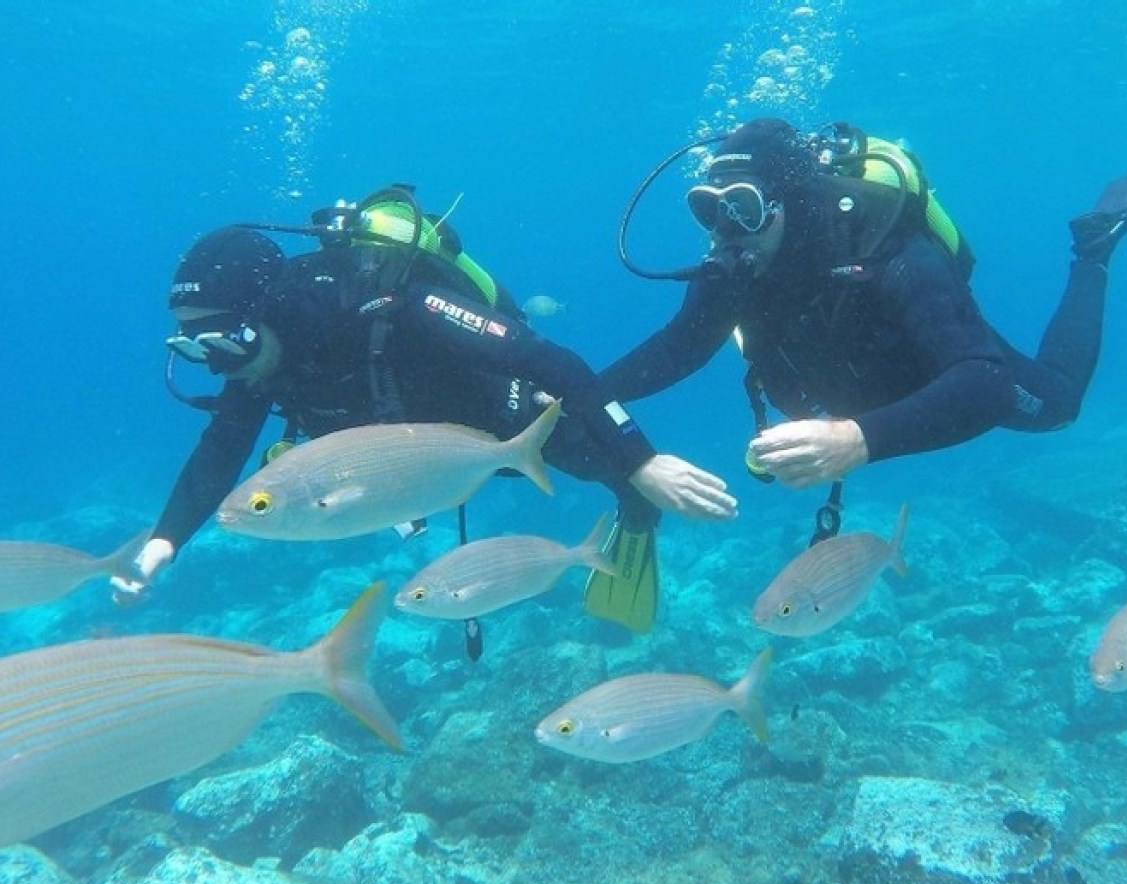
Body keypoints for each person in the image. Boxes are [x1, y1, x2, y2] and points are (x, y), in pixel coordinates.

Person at [113, 185, 737, 633]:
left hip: (497, 416)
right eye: (191, 346)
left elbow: (556, 363)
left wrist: (641, 464)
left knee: (595, 460)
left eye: (222, 339)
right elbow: (220, 451)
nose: (216, 362)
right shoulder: (261, 362)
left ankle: (631, 516)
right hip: (402, 468)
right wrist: (166, 541)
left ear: (264, 311)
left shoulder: (392, 302)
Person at [602, 118, 1127, 499]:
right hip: (849, 389)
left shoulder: (884, 240)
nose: (727, 229)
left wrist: (857, 441)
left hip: (932, 369)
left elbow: (983, 382)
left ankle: (1095, 248)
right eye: (710, 209)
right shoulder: (737, 256)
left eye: (745, 207)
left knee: (1057, 405)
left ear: (790, 201)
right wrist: (578, 392)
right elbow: (681, 347)